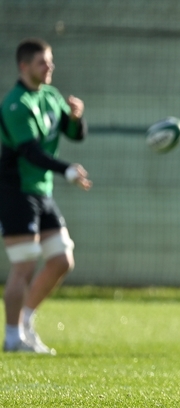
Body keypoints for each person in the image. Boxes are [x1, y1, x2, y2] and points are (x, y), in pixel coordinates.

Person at [1, 38, 92, 355]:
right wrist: (66, 170)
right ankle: (12, 337)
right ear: (24, 66)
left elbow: (73, 134)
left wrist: (77, 118)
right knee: (24, 266)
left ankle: (25, 322)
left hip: (42, 192)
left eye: (50, 61)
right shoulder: (15, 104)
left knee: (61, 259)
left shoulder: (51, 97)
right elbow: (30, 152)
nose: (49, 67)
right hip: (16, 192)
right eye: (42, 62)